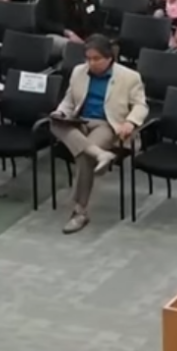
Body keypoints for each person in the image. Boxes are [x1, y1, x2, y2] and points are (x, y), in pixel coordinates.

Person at [49, 34, 149, 234]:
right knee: (54, 123)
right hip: (80, 121)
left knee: (84, 156)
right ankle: (100, 154)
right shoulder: (79, 71)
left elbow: (141, 105)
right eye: (88, 58)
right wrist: (61, 113)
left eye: (96, 59)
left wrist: (130, 122)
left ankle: (80, 211)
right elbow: (69, 100)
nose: (91, 63)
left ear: (109, 58)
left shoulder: (129, 77)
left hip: (108, 124)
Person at [35, 0, 105, 60]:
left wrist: (93, 40)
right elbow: (42, 22)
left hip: (84, 40)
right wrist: (66, 32)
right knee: (70, 45)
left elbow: (98, 25)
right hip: (58, 36)